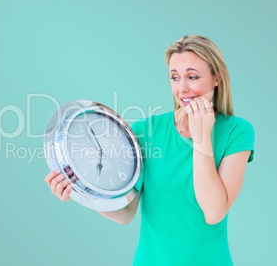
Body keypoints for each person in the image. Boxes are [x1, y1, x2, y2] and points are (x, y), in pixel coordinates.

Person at [44, 35, 255, 265]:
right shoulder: (146, 131)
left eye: (192, 77)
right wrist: (80, 191)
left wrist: (202, 136)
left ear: (217, 78)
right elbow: (126, 213)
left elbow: (214, 212)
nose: (182, 88)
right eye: (175, 77)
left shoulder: (237, 132)